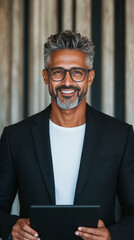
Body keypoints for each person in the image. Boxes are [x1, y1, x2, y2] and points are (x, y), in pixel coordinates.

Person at [0, 30, 134, 240]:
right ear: (46, 76)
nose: (67, 82)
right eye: (58, 72)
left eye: (77, 72)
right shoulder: (16, 137)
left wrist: (111, 236)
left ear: (90, 77)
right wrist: (11, 227)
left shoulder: (120, 136)